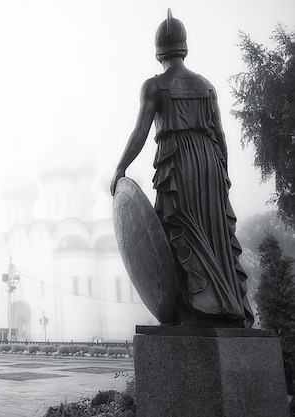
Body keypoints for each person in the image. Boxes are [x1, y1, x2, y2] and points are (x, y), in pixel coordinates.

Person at [110, 9, 253, 327]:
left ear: (158, 52)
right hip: (210, 163)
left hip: (177, 163)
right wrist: (222, 177)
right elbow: (220, 136)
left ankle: (197, 307)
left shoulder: (154, 86)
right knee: (214, 236)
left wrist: (120, 168)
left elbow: (140, 132)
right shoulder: (206, 86)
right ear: (184, 48)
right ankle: (227, 306)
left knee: (179, 231)